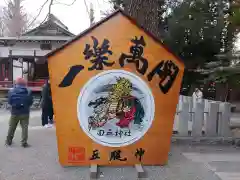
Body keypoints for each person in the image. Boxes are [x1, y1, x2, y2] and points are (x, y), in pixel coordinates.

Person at [5, 77, 33, 147]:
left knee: (12, 127)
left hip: (14, 112)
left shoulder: (11, 91)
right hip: (25, 112)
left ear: (16, 83)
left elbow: (9, 102)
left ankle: (8, 141)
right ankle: (24, 143)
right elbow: (30, 102)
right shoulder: (28, 91)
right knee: (24, 128)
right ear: (24, 83)